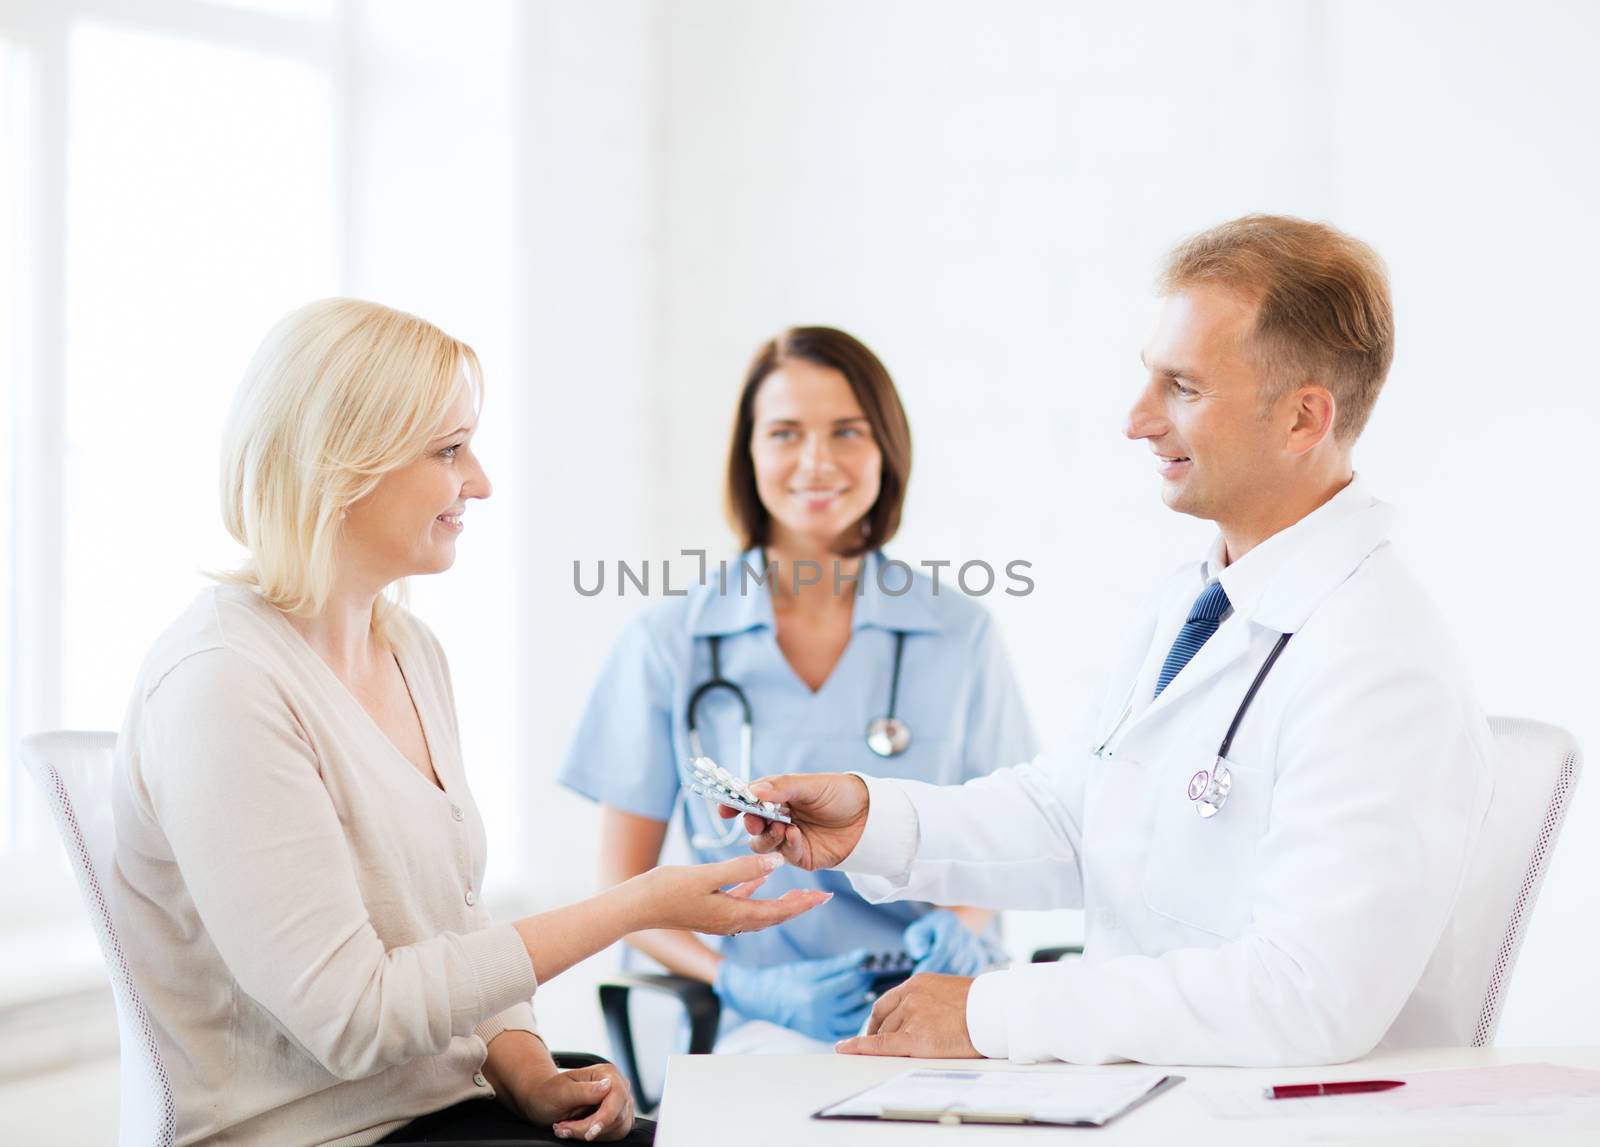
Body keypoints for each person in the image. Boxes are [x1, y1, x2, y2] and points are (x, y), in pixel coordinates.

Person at [731, 216, 1494, 1067]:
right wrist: (874, 821)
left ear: (1302, 419)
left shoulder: (1378, 658)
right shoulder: (1199, 603)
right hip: (1161, 1095)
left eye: (1184, 388)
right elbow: (1077, 815)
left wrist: (991, 1015)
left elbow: (1303, 999)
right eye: (1148, 380)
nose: (1137, 420)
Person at [109, 299, 827, 1146]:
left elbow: (455, 932)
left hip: (447, 1108)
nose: (479, 481)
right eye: (449, 451)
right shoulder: (221, 683)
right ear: (343, 467)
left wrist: (527, 1069)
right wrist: (632, 907)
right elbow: (356, 1018)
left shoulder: (407, 647)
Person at [559, 327, 1035, 1054]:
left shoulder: (960, 634)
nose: (817, 461)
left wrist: (962, 929)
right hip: (763, 1020)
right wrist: (741, 984)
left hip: (939, 1003)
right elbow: (621, 892)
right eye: (785, 432)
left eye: (847, 430)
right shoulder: (669, 642)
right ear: (750, 455)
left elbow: (1019, 837)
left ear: (886, 448)